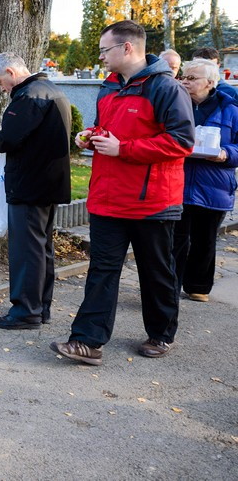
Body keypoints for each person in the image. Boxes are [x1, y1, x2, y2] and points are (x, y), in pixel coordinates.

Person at [53, 20, 194, 366]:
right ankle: (87, 341)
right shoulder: (109, 87)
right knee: (102, 270)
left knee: (156, 271)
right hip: (108, 198)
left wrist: (124, 149)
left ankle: (161, 333)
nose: (100, 56)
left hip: (153, 202)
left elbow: (181, 141)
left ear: (127, 48)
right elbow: (111, 132)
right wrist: (91, 135)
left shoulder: (166, 88)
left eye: (105, 50)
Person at [0, 53, 72, 328]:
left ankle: (25, 311)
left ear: (11, 72)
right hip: (49, 181)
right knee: (41, 248)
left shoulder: (28, 96)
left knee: (26, 250)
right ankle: (40, 307)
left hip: (29, 182)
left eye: (0, 81)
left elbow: (9, 138)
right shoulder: (52, 90)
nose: (1, 88)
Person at [172, 58, 238, 302]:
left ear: (210, 82)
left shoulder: (231, 110)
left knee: (205, 239)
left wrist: (226, 154)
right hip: (178, 181)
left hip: (214, 185)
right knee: (175, 239)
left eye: (192, 78)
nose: (185, 82)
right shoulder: (176, 105)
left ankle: (198, 286)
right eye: (184, 77)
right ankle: (169, 287)